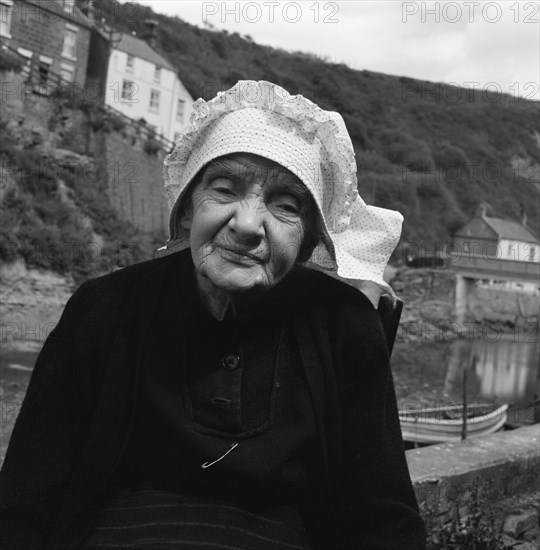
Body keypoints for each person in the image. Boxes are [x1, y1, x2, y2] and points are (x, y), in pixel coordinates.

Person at [0, 81, 426, 549]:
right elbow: (27, 499)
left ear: (308, 242)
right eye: (224, 189)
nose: (246, 225)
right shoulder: (105, 308)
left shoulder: (345, 327)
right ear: (186, 209)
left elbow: (383, 518)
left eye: (286, 206)